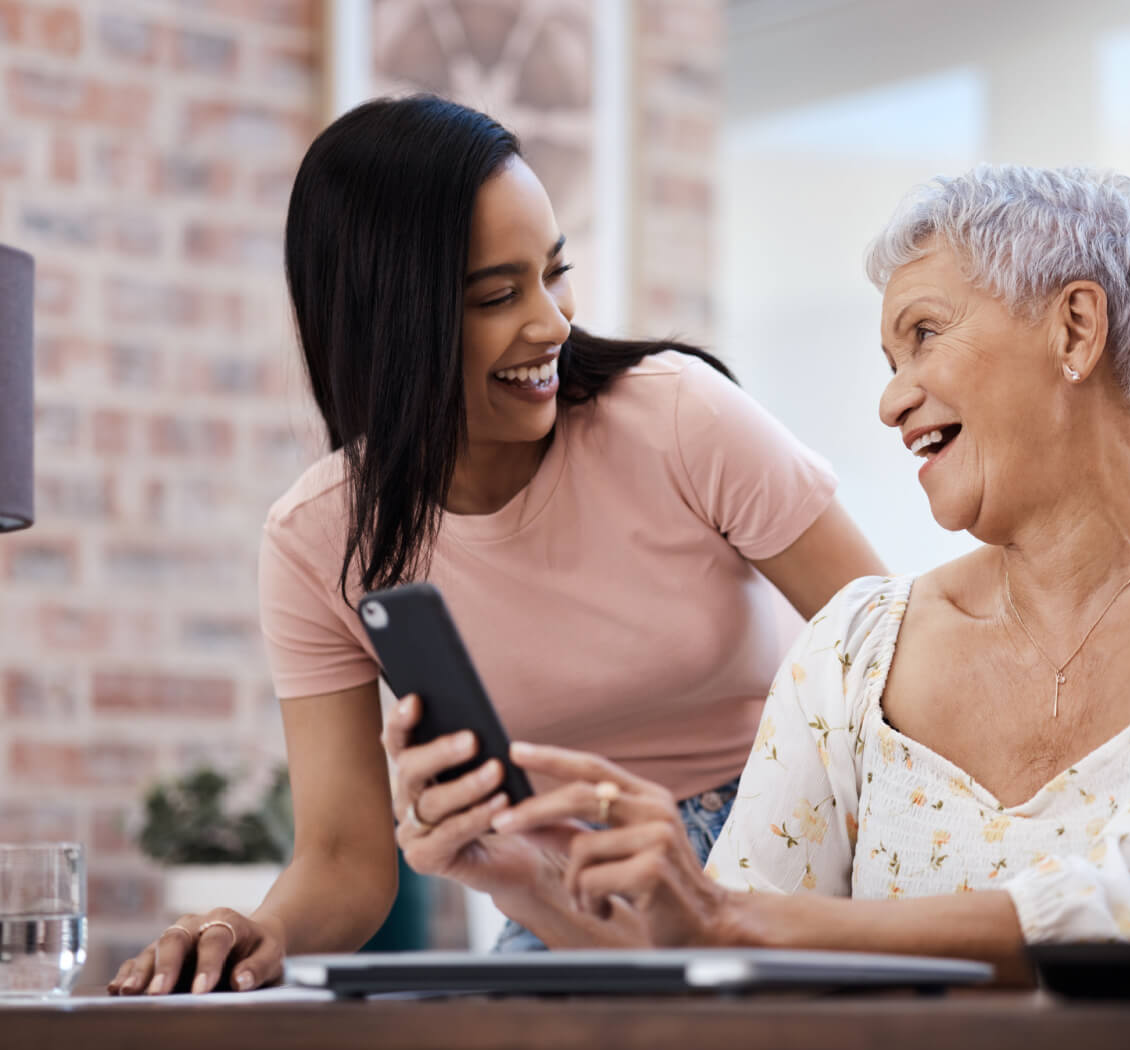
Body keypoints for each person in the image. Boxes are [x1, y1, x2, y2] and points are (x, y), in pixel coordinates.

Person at [482, 165, 1130, 995]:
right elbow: (729, 967)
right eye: (889, 364)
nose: (891, 400)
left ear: (1075, 329)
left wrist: (729, 917)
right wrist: (524, 878)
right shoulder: (852, 648)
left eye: (923, 335)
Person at [107, 96, 884, 996]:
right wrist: (254, 931)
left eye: (554, 272)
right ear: (386, 322)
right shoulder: (317, 539)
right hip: (567, 890)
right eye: (496, 296)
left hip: (790, 841)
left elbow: (902, 661)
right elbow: (344, 856)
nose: (553, 322)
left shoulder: (679, 415)